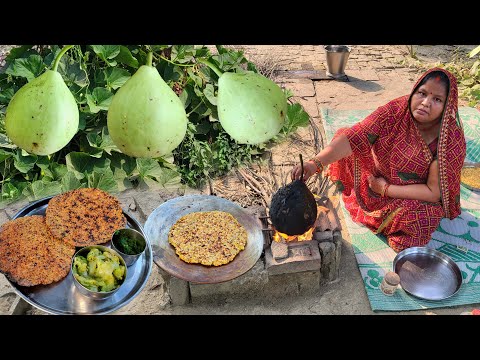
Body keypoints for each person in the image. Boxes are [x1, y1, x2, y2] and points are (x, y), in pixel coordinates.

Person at [290, 68, 466, 253]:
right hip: (375, 177)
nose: (425, 103)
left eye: (437, 99)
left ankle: (393, 223)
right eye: (422, 93)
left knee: (425, 216)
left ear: (448, 106)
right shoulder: (395, 111)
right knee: (344, 137)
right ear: (414, 91)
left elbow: (433, 192)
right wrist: (314, 163)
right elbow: (357, 136)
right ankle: (373, 207)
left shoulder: (449, 141)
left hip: (412, 195)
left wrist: (385, 189)